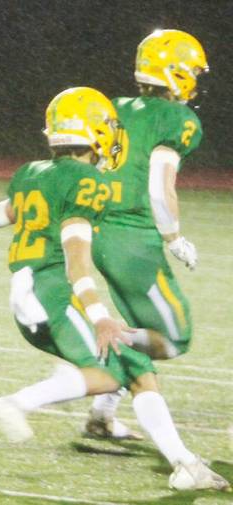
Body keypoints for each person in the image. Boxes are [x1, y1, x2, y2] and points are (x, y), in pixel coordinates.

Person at [0, 87, 228, 491]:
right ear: (97, 131)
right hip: (52, 295)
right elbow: (77, 264)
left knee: (137, 368)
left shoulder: (32, 171)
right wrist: (101, 318)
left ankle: (186, 465)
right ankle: (16, 403)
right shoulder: (87, 182)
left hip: (28, 297)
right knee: (105, 374)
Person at [83, 29, 210, 440]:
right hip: (132, 238)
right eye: (190, 70)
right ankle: (92, 353)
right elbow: (159, 184)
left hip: (100, 229)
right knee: (175, 338)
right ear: (173, 72)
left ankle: (102, 411)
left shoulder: (116, 108)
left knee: (142, 325)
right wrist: (173, 237)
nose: (194, 77)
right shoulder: (177, 119)